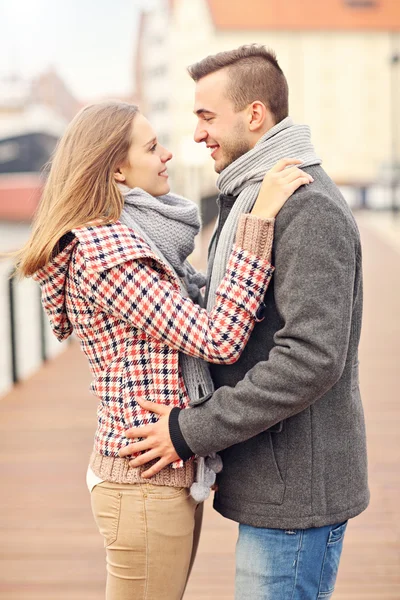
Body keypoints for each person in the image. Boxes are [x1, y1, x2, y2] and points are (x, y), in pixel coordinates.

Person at [12, 100, 312, 600]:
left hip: (158, 475)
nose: (169, 154)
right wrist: (258, 221)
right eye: (152, 147)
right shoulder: (110, 254)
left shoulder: (129, 237)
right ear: (115, 168)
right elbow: (216, 337)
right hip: (142, 484)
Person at [120, 45, 369, 600]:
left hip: (297, 496)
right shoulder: (255, 196)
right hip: (278, 483)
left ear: (253, 114)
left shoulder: (305, 208)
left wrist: (190, 429)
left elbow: (309, 360)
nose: (197, 134)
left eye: (206, 117)